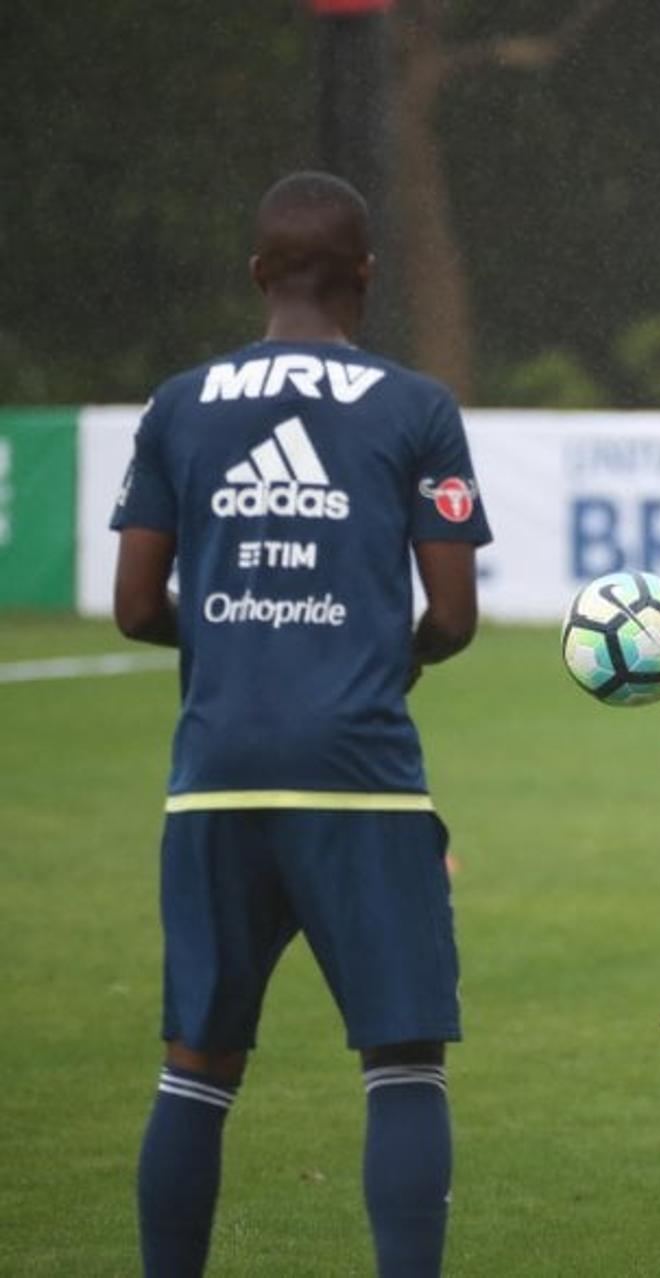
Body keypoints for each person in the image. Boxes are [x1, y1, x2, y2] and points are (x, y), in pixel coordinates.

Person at [112, 172, 491, 1276]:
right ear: (367, 277)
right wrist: (385, 657)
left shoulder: (180, 405)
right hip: (358, 775)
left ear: (258, 274)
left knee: (197, 1066)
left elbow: (137, 606)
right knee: (403, 1061)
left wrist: (236, 648)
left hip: (215, 774)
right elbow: (454, 617)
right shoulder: (414, 406)